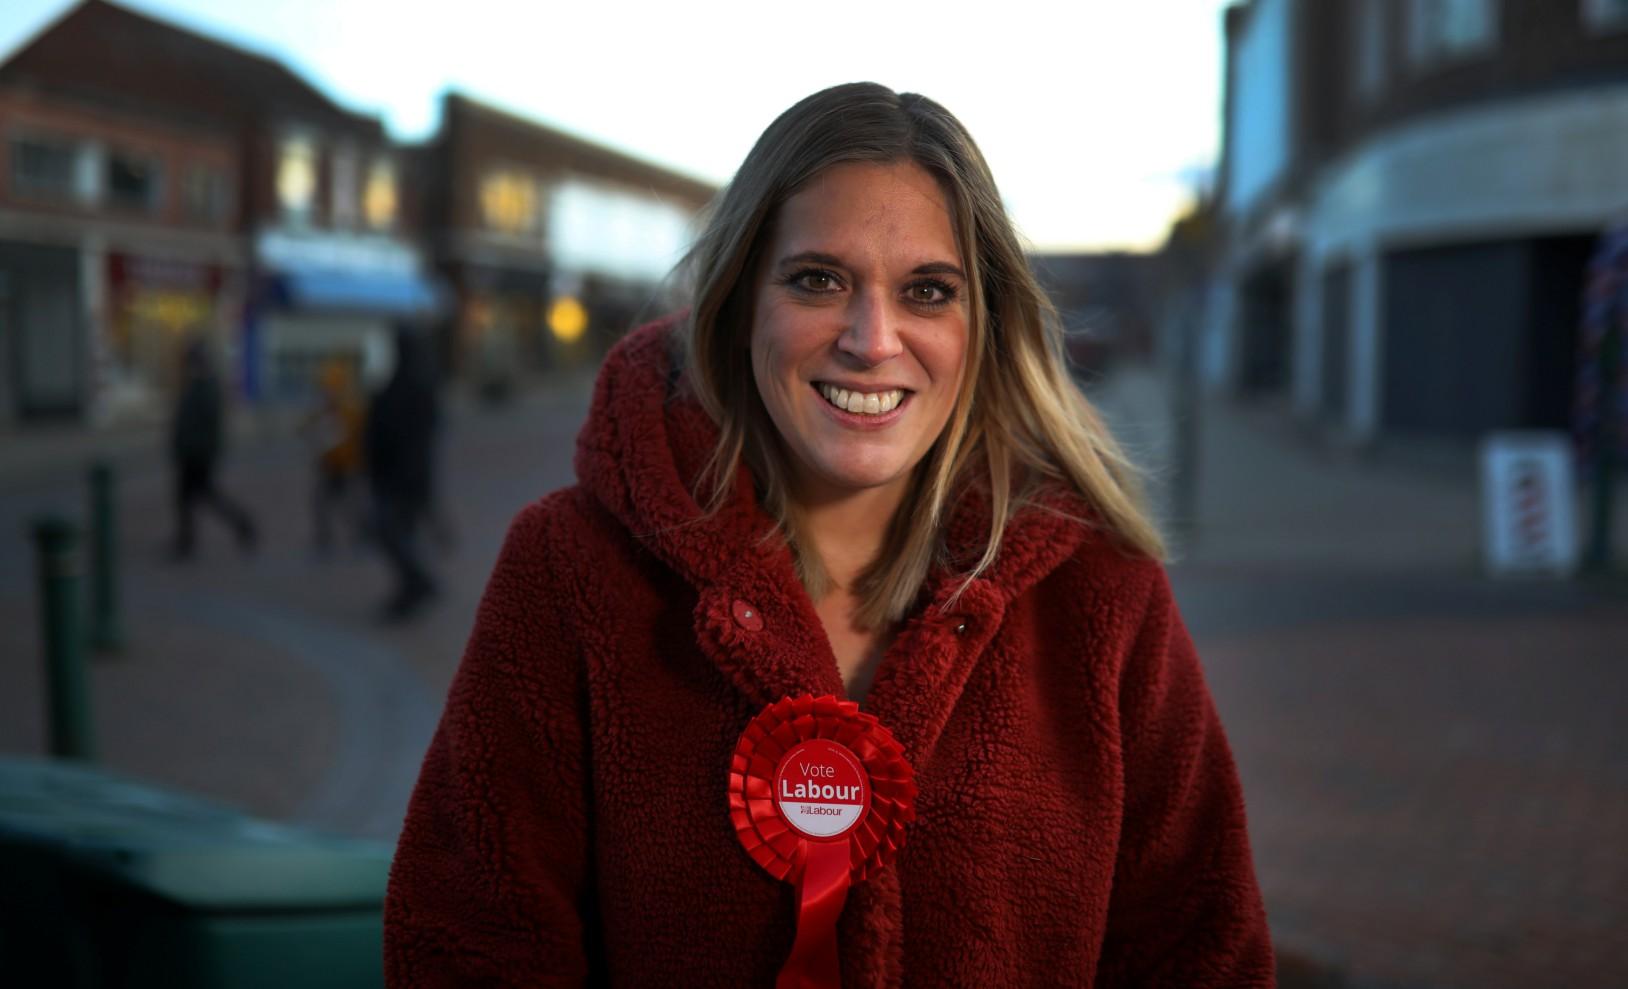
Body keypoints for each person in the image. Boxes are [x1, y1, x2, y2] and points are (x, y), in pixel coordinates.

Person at [385, 83, 1272, 986]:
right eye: (819, 280)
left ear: (982, 327)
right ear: (740, 303)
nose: (871, 338)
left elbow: (1200, 949)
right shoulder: (569, 566)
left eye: (928, 291)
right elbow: (472, 941)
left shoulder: (1101, 590)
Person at [365, 325, 441, 621]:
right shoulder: (416, 384)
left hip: (401, 475)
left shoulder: (408, 387)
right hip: (406, 475)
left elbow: (393, 431)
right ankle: (413, 585)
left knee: (391, 531)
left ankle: (417, 583)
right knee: (399, 532)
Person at [169, 337, 256, 560]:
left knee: (201, 496)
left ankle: (241, 525)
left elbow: (206, 422)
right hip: (192, 452)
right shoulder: (197, 384)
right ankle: (187, 540)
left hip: (198, 454)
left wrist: (194, 447)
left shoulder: (206, 386)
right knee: (191, 497)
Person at [301, 357, 366, 556]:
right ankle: (329, 534)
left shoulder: (349, 409)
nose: (328, 392)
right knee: (327, 501)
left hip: (346, 464)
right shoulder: (331, 409)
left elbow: (358, 433)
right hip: (333, 465)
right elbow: (309, 426)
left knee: (342, 501)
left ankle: (355, 532)